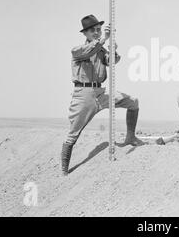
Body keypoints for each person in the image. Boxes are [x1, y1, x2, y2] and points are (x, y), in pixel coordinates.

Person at [61, 14, 142, 176]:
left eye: (98, 30)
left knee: (133, 102)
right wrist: (104, 39)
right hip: (83, 95)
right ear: (85, 33)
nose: (96, 32)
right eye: (93, 31)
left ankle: (131, 137)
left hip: (100, 92)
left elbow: (112, 61)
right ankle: (64, 170)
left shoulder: (100, 49)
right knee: (73, 134)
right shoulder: (78, 50)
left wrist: (113, 49)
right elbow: (89, 50)